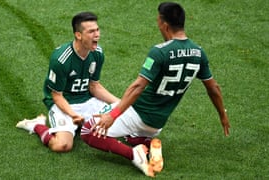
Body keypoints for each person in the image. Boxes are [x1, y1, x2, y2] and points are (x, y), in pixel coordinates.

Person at [80, 2, 230, 177]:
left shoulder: (160, 52)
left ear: (164, 24)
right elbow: (213, 88)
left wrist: (112, 116)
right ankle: (146, 142)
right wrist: (222, 115)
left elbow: (137, 87)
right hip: (158, 122)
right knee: (129, 136)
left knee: (89, 130)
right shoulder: (199, 52)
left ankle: (134, 155)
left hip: (138, 114)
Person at [16, 12, 119, 153]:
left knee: (122, 122)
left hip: (88, 101)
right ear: (78, 35)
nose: (97, 35)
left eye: (97, 29)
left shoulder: (98, 53)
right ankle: (37, 125)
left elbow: (94, 86)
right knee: (62, 146)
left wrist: (120, 104)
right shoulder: (61, 59)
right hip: (64, 104)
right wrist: (73, 114)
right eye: (91, 31)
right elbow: (56, 95)